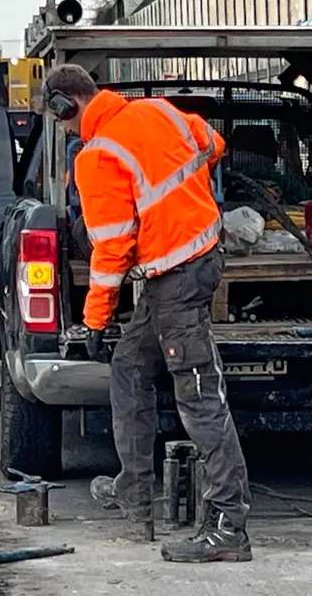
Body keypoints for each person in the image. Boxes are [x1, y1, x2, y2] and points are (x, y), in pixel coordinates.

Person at [42, 63, 253, 564]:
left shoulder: (97, 156)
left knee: (200, 397)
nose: (67, 130)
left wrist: (95, 320)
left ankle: (228, 527)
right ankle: (134, 494)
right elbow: (213, 144)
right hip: (195, 261)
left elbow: (112, 249)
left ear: (64, 105)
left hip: (176, 275)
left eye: (62, 121)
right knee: (131, 365)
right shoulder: (157, 111)